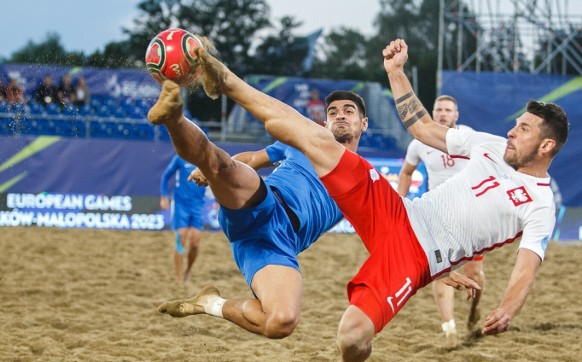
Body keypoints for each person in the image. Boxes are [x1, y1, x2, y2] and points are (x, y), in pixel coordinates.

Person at [186, 37, 567, 362]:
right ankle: (225, 80)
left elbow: (527, 266)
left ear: (546, 146)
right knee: (317, 140)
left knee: (352, 337)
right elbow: (422, 128)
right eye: (516, 124)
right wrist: (396, 72)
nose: (512, 131)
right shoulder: (489, 144)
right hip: (399, 211)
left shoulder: (540, 204)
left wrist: (509, 308)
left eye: (524, 129)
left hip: (417, 257)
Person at [151, 77, 479, 339]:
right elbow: (251, 160)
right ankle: (173, 115)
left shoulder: (366, 179)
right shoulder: (304, 142)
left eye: (348, 111)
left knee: (281, 322)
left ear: (364, 124)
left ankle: (210, 303)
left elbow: (397, 236)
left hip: (275, 247)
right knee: (217, 161)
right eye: (333, 111)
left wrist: (441, 269)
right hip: (264, 204)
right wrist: (214, 171)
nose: (339, 115)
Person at [397, 95, 484, 349]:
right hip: (437, 215)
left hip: (470, 216)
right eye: (439, 109)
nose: (443, 113)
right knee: (440, 271)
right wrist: (399, 204)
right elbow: (405, 172)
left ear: (456, 115)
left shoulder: (470, 137)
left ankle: (474, 309)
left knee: (475, 273)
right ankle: (450, 330)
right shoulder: (420, 142)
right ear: (433, 113)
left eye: (448, 110)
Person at [160, 154, 208, 284]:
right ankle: (179, 277)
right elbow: (165, 176)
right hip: (181, 204)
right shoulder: (180, 158)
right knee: (181, 238)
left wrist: (218, 200)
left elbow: (214, 179)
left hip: (198, 205)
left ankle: (188, 270)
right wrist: (164, 196)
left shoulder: (204, 157)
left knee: (195, 243)